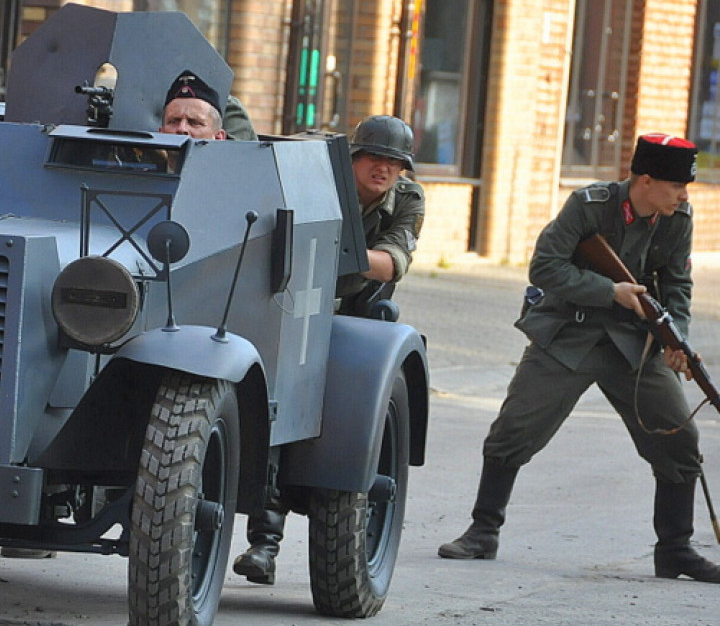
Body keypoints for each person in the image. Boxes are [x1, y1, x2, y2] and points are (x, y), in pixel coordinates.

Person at [437, 132, 720, 584]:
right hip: (570, 334)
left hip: (634, 345)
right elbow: (545, 267)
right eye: (675, 185)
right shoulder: (589, 206)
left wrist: (675, 341)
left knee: (678, 439)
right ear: (645, 181)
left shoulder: (677, 219)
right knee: (515, 428)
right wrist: (611, 292)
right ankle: (483, 531)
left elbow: (677, 286)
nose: (684, 195)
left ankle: (675, 550)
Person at [232, 114, 426, 585]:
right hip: (290, 298)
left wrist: (327, 248)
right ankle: (265, 542)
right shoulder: (319, 174)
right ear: (353, 157)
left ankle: (268, 543)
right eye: (374, 157)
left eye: (394, 163)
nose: (383, 169)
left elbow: (393, 262)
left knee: (321, 413)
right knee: (274, 403)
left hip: (350, 311)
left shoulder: (408, 198)